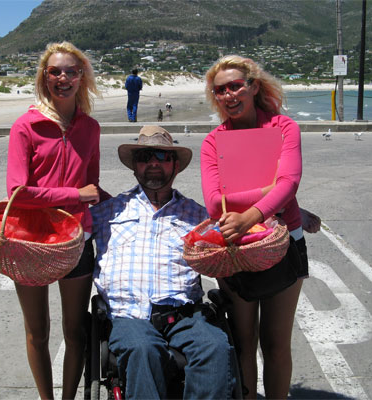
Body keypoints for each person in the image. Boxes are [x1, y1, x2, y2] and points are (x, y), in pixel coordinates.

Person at [92, 126, 235, 400]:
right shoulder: (108, 211)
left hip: (185, 314)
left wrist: (288, 211)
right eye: (146, 156)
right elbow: (66, 225)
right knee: (142, 349)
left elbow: (238, 227)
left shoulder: (200, 216)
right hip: (129, 315)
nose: (154, 162)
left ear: (176, 166)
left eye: (162, 155)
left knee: (215, 347)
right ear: (135, 166)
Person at [202, 55, 309, 399]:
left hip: (284, 242)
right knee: (243, 342)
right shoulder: (213, 141)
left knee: (276, 344)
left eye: (236, 86)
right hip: (235, 246)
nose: (229, 95)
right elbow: (213, 203)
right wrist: (268, 190)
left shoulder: (283, 127)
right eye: (221, 90)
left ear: (254, 86)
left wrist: (250, 214)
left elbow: (289, 182)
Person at [6, 41, 107, 400]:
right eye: (55, 72)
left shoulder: (90, 128)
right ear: (44, 78)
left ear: (82, 78)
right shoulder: (26, 127)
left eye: (71, 71)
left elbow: (93, 187)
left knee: (75, 330)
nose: (62, 78)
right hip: (31, 239)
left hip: (76, 239)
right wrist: (74, 196)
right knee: (38, 332)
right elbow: (18, 192)